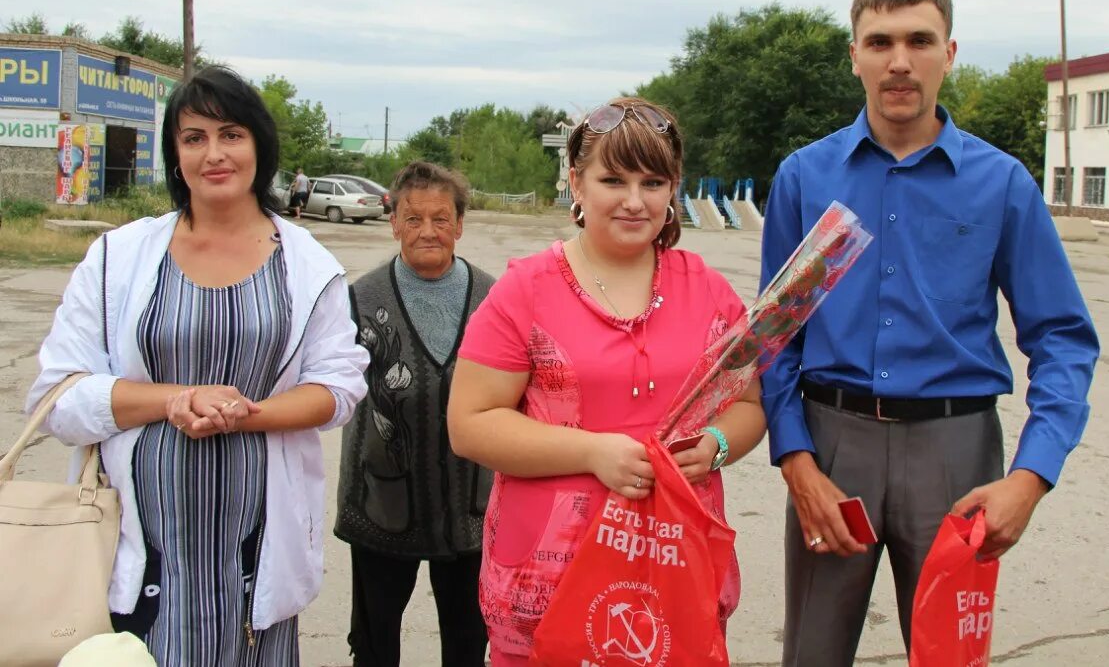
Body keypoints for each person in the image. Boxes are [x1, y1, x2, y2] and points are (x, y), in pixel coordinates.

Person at [760, 0, 1100, 665]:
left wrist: (1030, 478)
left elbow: (1062, 339)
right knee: (812, 654)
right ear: (853, 54)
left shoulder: (1001, 184)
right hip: (832, 446)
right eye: (879, 41)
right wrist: (796, 459)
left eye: (920, 39)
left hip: (957, 454)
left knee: (950, 656)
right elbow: (774, 340)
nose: (900, 60)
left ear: (950, 52)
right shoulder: (804, 176)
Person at [26, 66, 369, 667]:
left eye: (231, 134)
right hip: (139, 555)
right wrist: (172, 400)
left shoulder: (310, 266)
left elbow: (338, 387)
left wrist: (244, 414)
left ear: (259, 146)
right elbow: (57, 397)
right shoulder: (118, 258)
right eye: (193, 138)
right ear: (175, 155)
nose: (214, 153)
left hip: (255, 556)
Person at [447, 97, 767, 666]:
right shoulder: (526, 291)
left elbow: (747, 403)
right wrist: (593, 452)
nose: (633, 200)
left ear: (674, 189)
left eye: (652, 181)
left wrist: (715, 446)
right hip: (548, 579)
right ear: (576, 182)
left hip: (676, 566)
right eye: (612, 179)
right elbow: (470, 425)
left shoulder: (710, 292)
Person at [334, 160, 496, 666]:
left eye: (441, 218)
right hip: (381, 502)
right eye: (414, 218)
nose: (428, 230)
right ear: (394, 223)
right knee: (375, 644)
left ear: (460, 225)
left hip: (473, 508)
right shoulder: (358, 299)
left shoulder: (496, 299)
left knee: (469, 642)